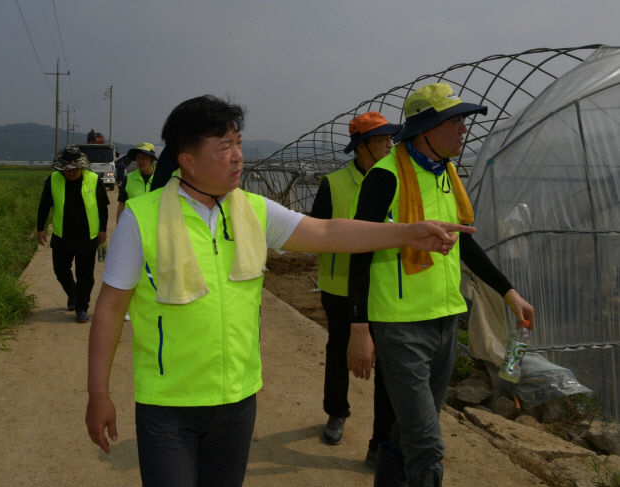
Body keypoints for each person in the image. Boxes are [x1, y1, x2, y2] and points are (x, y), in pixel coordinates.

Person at [85, 94, 475, 486]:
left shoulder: (253, 210)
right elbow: (110, 309)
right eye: (224, 147)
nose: (238, 156)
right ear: (187, 160)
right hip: (167, 405)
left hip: (237, 401)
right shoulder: (143, 218)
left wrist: (405, 232)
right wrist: (98, 393)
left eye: (238, 143)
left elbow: (326, 230)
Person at [346, 83, 535, 487]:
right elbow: (358, 251)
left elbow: (464, 241)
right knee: (428, 443)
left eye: (463, 120)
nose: (463, 129)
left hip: (446, 318)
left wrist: (508, 291)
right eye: (454, 121)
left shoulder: (447, 175)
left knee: (409, 429)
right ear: (426, 129)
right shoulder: (386, 177)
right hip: (400, 325)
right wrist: (358, 327)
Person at [310, 111, 401, 467]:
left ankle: (382, 439)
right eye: (383, 141)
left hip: (383, 286)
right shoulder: (333, 184)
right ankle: (337, 411)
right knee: (339, 350)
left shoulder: (394, 179)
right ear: (362, 147)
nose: (390, 145)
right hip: (338, 285)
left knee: (387, 359)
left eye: (391, 139)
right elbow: (316, 231)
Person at [37, 145, 110, 323]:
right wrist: (40, 228)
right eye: (67, 169)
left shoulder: (93, 179)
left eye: (74, 169)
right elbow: (44, 205)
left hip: (88, 236)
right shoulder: (53, 179)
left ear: (82, 167)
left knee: (86, 274)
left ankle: (81, 308)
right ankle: (73, 294)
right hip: (62, 235)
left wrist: (103, 229)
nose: (71, 173)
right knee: (60, 270)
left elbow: (102, 207)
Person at [115, 142, 157, 222]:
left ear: (152, 159)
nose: (141, 161)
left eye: (144, 158)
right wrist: (119, 227)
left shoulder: (161, 178)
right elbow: (121, 205)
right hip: (133, 227)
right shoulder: (128, 179)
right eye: (138, 157)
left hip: (154, 228)